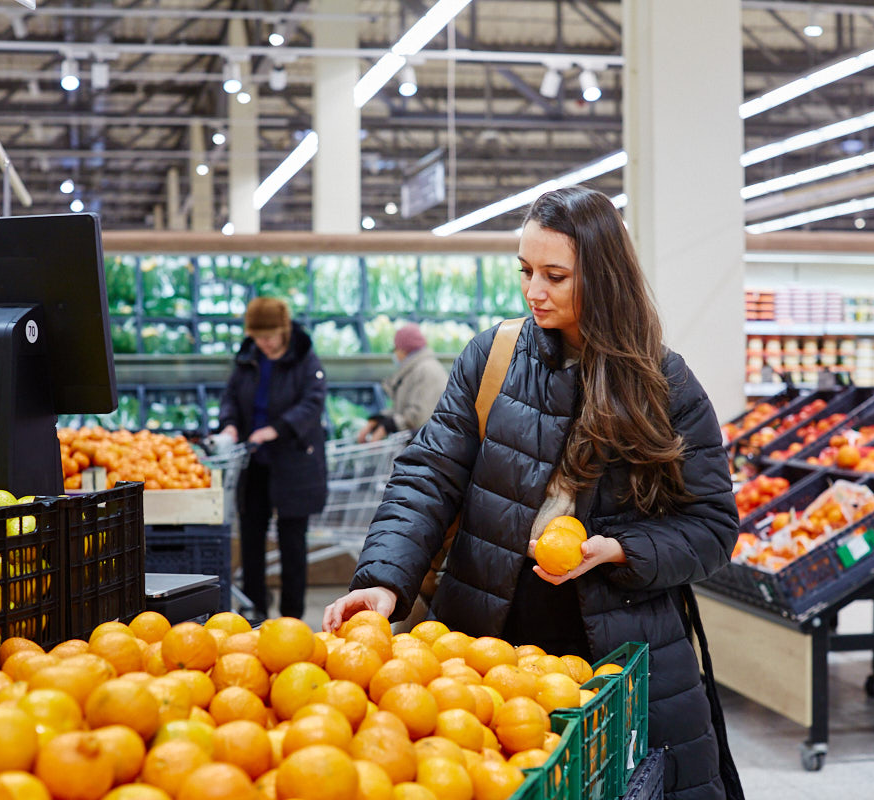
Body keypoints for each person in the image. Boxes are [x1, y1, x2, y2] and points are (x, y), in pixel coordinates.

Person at [323, 186, 740, 800]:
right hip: (483, 647)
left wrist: (620, 550)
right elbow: (427, 476)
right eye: (525, 271)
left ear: (604, 278)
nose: (534, 291)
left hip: (623, 660)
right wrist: (383, 580)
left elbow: (711, 526)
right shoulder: (491, 359)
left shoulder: (664, 384)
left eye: (555, 275)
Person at [219, 297, 327, 623]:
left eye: (268, 337)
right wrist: (230, 423)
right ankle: (255, 610)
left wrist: (276, 430)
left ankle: (292, 616)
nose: (263, 344)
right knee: (251, 537)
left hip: (295, 461)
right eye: (257, 337)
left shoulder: (305, 357)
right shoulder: (248, 357)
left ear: (283, 331)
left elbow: (313, 402)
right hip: (253, 463)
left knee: (292, 540)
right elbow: (230, 398)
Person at [357, 323, 449, 443]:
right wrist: (379, 420)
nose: (394, 354)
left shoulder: (426, 371)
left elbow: (417, 417)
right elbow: (402, 410)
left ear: (404, 349)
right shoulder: (416, 370)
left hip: (429, 448)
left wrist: (387, 426)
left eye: (395, 348)